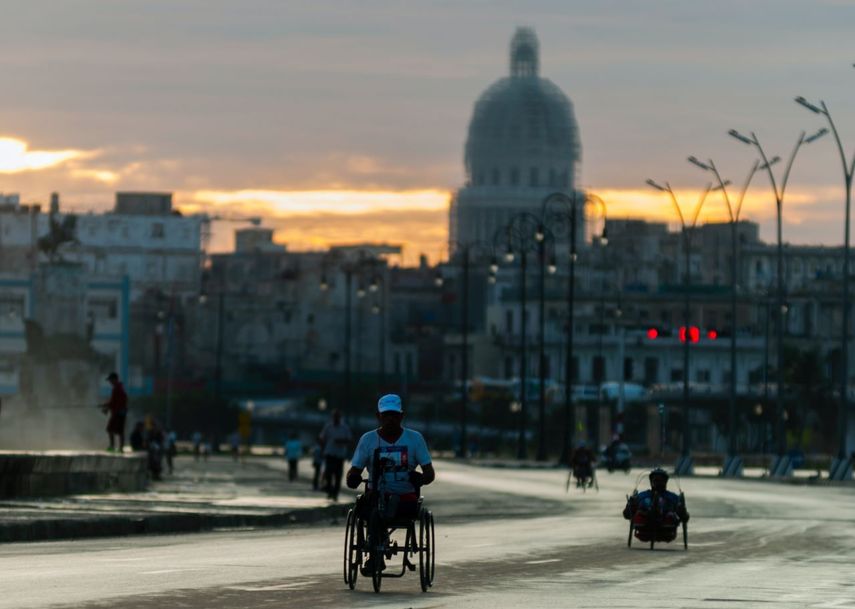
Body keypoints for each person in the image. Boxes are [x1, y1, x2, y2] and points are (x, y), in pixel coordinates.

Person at [345, 394, 435, 574]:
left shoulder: (415, 439)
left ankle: (379, 537)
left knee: (385, 509)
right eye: (386, 415)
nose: (391, 419)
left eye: (394, 415)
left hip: (405, 497)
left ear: (401, 416)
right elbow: (353, 471)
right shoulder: (368, 440)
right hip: (376, 495)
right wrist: (353, 478)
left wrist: (421, 478)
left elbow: (430, 473)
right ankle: (374, 551)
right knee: (371, 509)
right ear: (378, 416)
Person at [623, 468, 689, 531]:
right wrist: (631, 505)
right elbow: (627, 514)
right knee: (639, 511)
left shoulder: (673, 497)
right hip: (645, 521)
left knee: (671, 514)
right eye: (656, 480)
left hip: (666, 522)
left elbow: (685, 516)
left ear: (665, 482)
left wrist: (681, 510)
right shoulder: (642, 495)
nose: (658, 483)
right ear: (651, 482)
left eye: (661, 481)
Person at [319, 409, 352, 501]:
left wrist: (341, 441)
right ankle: (329, 490)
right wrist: (322, 449)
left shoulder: (345, 428)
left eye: (337, 417)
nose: (336, 418)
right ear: (332, 417)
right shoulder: (328, 427)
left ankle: (335, 493)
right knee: (328, 472)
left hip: (339, 455)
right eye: (334, 417)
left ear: (340, 417)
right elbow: (322, 438)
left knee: (338, 475)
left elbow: (349, 440)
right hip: (329, 453)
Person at [99, 372, 128, 452]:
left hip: (118, 413)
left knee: (110, 429)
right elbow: (114, 402)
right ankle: (120, 448)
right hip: (121, 412)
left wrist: (106, 407)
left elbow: (115, 402)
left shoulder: (117, 389)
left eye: (110, 380)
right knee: (119, 431)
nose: (110, 382)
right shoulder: (119, 388)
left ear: (115, 379)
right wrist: (106, 406)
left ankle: (113, 447)